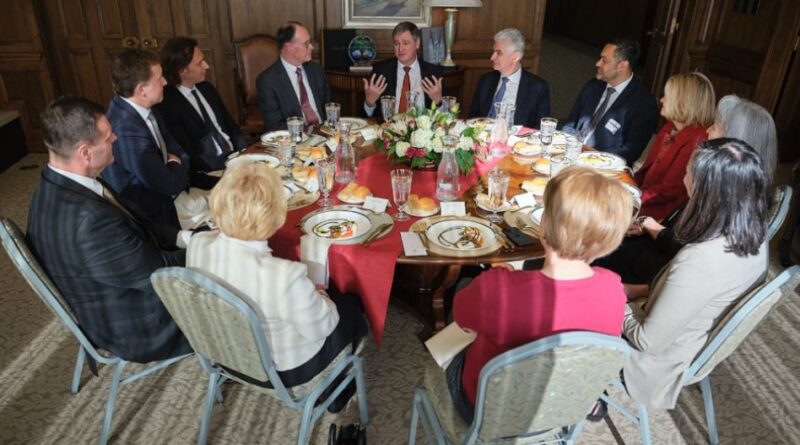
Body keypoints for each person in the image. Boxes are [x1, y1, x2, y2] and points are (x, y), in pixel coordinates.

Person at [447, 167, 634, 423]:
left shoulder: (496, 290)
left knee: (462, 291)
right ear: (610, 239)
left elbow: (461, 318)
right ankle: (592, 402)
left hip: (489, 411)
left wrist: (498, 283)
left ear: (544, 222)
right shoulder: (614, 289)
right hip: (561, 407)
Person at [186, 162, 368, 411]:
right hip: (283, 370)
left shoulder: (198, 244)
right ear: (276, 216)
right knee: (350, 307)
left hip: (222, 354)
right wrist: (320, 293)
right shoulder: (284, 276)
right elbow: (323, 326)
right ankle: (334, 388)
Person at [27, 96, 191, 363]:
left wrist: (186, 237)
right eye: (108, 135)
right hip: (138, 325)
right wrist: (214, 249)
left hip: (116, 289)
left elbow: (136, 222)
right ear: (85, 152)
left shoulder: (57, 182)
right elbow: (159, 275)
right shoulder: (89, 221)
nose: (116, 137)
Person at [622, 138, 769, 410]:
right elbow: (695, 295)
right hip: (689, 336)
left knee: (574, 300)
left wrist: (611, 298)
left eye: (689, 172)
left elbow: (647, 341)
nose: (684, 176)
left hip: (656, 362)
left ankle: (586, 397)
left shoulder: (700, 260)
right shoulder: (755, 240)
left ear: (705, 189)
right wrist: (636, 290)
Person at [595, 93, 778, 286]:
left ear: (734, 143)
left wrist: (651, 225)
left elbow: (683, 249)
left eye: (715, 127)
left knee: (597, 249)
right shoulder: (744, 192)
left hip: (660, 271)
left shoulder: (721, 198)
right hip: (661, 250)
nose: (707, 131)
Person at [103, 48, 193, 228]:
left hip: (169, 199)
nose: (166, 82)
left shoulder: (147, 108)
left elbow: (181, 153)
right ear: (141, 90)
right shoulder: (125, 129)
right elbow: (169, 184)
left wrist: (174, 164)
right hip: (152, 219)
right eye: (159, 78)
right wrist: (175, 164)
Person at [562, 37, 659, 166]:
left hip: (604, 168)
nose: (597, 63)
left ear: (622, 65)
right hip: (570, 154)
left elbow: (631, 152)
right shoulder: (593, 86)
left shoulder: (643, 103)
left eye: (604, 60)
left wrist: (592, 156)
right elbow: (570, 123)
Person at [156, 37, 247, 173]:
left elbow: (231, 125)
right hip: (211, 168)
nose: (206, 66)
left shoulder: (207, 88)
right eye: (200, 63)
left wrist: (245, 151)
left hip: (236, 156)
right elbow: (189, 152)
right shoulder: (168, 104)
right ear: (182, 70)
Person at [634, 72, 715, 221]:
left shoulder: (697, 140)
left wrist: (631, 199)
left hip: (659, 214)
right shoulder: (670, 127)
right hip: (642, 198)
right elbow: (646, 172)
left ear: (683, 102)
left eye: (667, 96)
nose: (662, 99)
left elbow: (668, 190)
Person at [468, 28, 550, 128]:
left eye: (498, 53)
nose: (492, 57)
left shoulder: (537, 88)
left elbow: (541, 128)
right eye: (494, 52)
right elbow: (472, 119)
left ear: (515, 57)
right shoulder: (485, 80)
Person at [257, 21, 331, 131]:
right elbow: (275, 126)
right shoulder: (268, 81)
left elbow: (330, 108)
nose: (311, 47)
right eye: (306, 44)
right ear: (289, 47)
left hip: (325, 134)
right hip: (296, 140)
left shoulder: (317, 71)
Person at [362, 21, 443, 120]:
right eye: (396, 44)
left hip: (422, 132)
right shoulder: (381, 71)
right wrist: (369, 103)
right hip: (388, 131)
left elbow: (447, 119)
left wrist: (438, 101)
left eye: (405, 43)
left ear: (417, 43)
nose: (400, 49)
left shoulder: (433, 73)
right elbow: (365, 118)